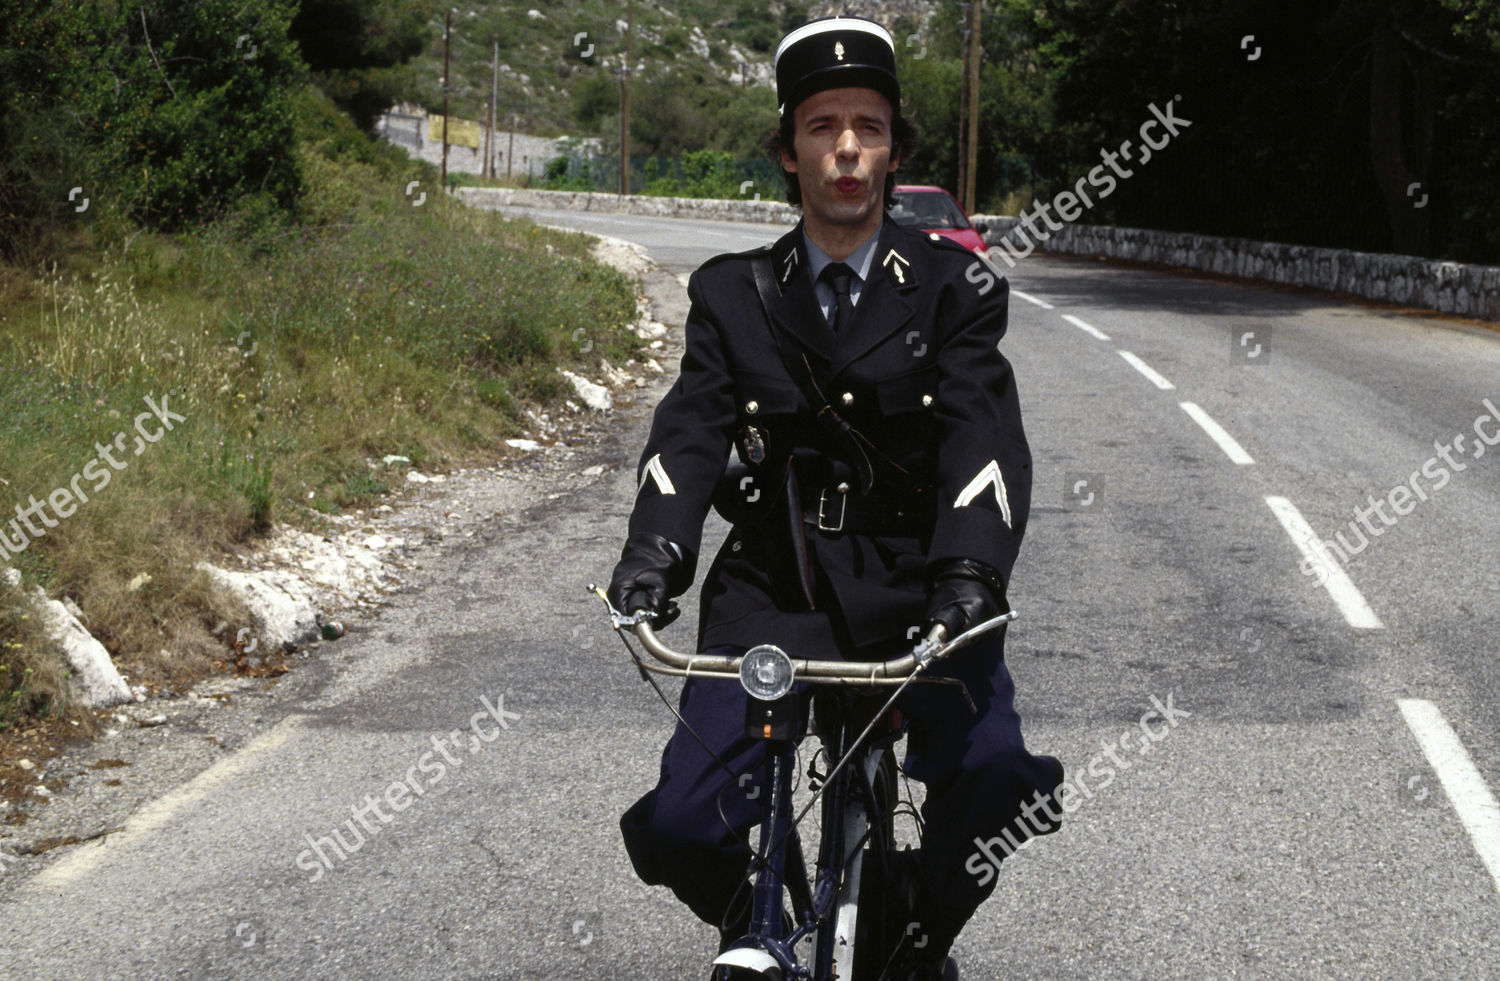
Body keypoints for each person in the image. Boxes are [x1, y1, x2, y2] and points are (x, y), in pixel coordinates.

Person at [607, 15, 1063, 980]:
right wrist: (653, 558)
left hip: (923, 591)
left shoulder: (954, 288)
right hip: (776, 589)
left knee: (994, 779)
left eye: (867, 126)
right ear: (788, 149)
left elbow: (985, 434)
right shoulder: (733, 293)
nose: (846, 150)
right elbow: (689, 431)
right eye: (822, 127)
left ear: (895, 148)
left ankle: (913, 930)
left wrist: (971, 573)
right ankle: (759, 916)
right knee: (686, 821)